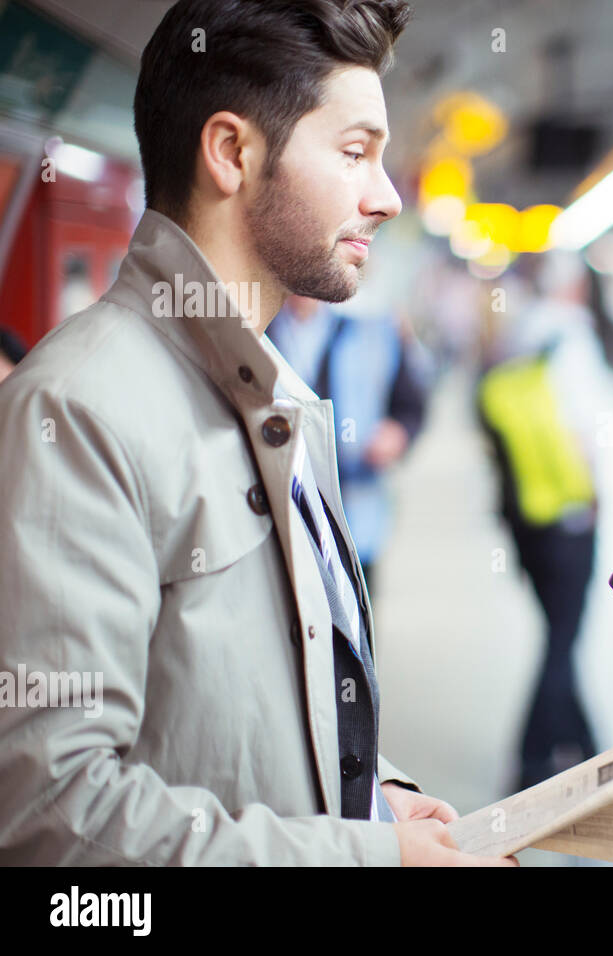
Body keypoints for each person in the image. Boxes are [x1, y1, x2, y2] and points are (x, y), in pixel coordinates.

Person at [0, 0, 512, 866]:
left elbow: (243, 720)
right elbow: (54, 815)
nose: (386, 197)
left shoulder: (271, 397)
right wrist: (367, 860)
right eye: (355, 153)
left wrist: (369, 802)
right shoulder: (78, 411)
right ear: (232, 153)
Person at [476, 251, 605, 791]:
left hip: (524, 515)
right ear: (574, 287)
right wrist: (596, 490)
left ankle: (586, 744)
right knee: (562, 636)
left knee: (558, 630)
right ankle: (532, 760)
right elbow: (585, 425)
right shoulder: (572, 335)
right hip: (566, 512)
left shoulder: (521, 329)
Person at [268, 295, 431, 585]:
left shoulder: (374, 329)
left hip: (355, 505)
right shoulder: (259, 327)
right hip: (280, 509)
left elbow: (410, 405)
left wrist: (397, 434)